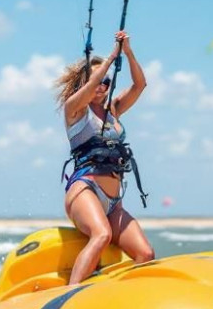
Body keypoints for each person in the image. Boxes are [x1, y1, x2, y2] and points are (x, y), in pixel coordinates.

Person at [54, 30, 155, 285]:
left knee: (145, 253)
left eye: (107, 82)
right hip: (84, 190)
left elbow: (140, 85)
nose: (102, 86)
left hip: (113, 202)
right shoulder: (75, 109)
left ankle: (119, 297)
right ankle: (68, 296)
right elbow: (89, 87)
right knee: (101, 235)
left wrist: (128, 52)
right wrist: (111, 56)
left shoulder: (114, 110)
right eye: (98, 80)